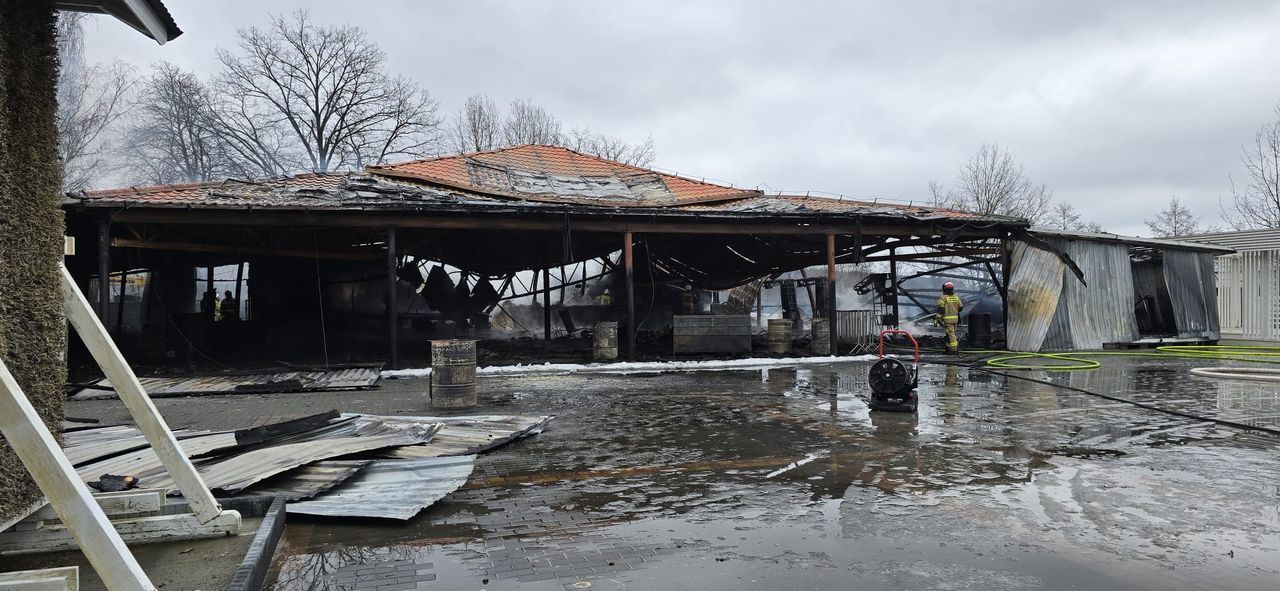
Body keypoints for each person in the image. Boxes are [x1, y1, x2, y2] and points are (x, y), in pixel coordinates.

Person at [935, 281, 963, 354]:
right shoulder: (956, 297)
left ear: (944, 289)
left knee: (951, 335)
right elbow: (961, 307)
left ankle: (954, 350)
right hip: (955, 320)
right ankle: (948, 348)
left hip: (948, 320)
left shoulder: (943, 298)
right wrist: (954, 310)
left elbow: (941, 309)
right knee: (949, 334)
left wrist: (937, 319)